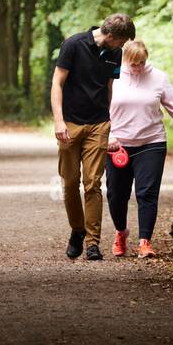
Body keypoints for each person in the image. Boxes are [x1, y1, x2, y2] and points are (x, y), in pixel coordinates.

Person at [107, 40, 173, 258]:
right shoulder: (113, 76)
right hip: (118, 146)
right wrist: (109, 135)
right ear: (125, 60)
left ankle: (145, 242)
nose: (139, 67)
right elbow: (101, 109)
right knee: (116, 195)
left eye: (142, 62)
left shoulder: (158, 77)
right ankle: (121, 233)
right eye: (134, 64)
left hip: (152, 143)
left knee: (147, 194)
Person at [51, 13, 136, 261]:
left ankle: (92, 243)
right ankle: (77, 230)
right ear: (110, 35)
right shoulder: (73, 45)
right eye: (121, 41)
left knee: (93, 183)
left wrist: (112, 123)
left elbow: (109, 87)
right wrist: (58, 120)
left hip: (99, 123)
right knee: (69, 183)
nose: (122, 47)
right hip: (69, 123)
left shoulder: (115, 54)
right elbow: (57, 83)